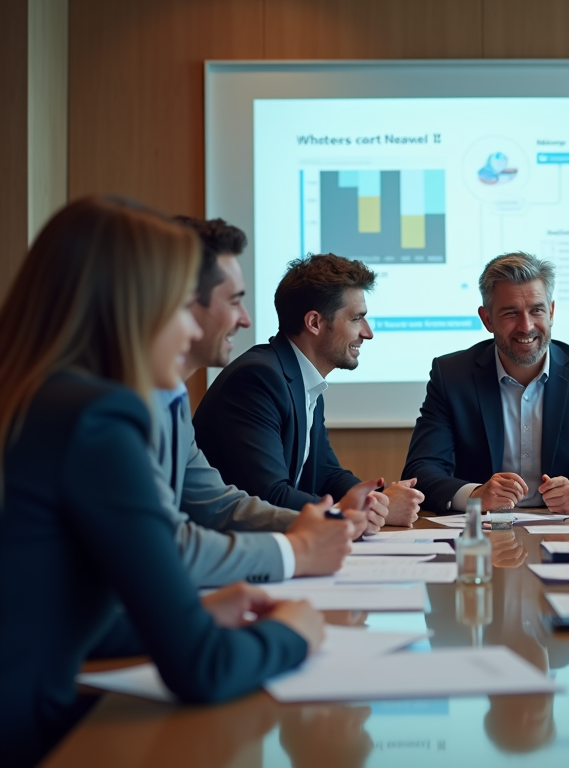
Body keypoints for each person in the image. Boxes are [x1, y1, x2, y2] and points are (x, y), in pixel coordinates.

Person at [0, 198, 338, 767]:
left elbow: (47, 611)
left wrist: (194, 614)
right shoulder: (97, 417)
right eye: (183, 306)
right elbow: (202, 669)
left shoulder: (39, 399)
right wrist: (298, 632)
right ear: (128, 308)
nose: (193, 327)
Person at [146, 216, 371, 587]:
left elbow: (219, 502)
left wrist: (337, 519)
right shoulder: (258, 376)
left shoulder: (170, 399)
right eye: (234, 301)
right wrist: (298, 550)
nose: (246, 320)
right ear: (179, 304)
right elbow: (167, 546)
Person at [193, 253, 423, 524]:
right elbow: (268, 496)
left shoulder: (302, 377)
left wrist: (378, 499)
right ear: (314, 322)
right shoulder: (258, 378)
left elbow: (327, 473)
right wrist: (360, 511)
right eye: (356, 319)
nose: (367, 332)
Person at [402, 252, 569, 514]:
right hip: (484, 531)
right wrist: (476, 495)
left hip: (565, 528)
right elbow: (421, 471)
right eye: (511, 313)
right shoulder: (452, 376)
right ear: (487, 319)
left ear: (552, 311)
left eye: (536, 310)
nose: (526, 327)